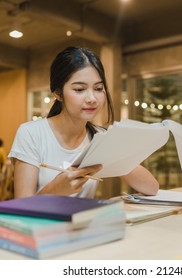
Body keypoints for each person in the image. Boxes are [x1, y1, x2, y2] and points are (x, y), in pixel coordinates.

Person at [9, 46, 159, 199]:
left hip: (84, 222)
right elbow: (21, 206)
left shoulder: (100, 137)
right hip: (43, 223)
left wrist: (115, 153)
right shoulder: (31, 133)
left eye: (98, 88)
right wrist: (55, 189)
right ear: (58, 94)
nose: (92, 98)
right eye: (80, 89)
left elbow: (152, 188)